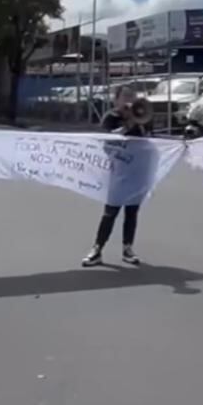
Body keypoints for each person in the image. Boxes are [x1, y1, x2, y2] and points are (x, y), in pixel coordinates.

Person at [81, 86, 150, 268]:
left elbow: (149, 141)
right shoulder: (111, 117)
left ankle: (128, 248)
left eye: (132, 95)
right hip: (117, 171)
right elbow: (105, 142)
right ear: (117, 100)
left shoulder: (141, 115)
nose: (129, 99)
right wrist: (125, 127)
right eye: (125, 96)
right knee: (110, 212)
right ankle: (97, 249)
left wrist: (138, 123)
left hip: (137, 171)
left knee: (132, 212)